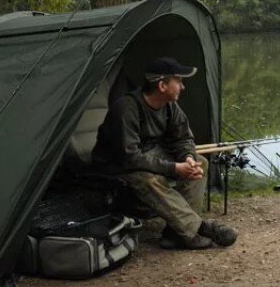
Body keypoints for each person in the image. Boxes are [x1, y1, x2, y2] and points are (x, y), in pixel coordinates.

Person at [91, 56, 237, 250]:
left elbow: (183, 139)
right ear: (162, 86)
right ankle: (196, 229)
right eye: (179, 82)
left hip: (150, 156)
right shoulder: (126, 108)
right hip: (117, 167)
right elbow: (129, 157)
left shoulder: (169, 106)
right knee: (149, 179)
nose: (182, 87)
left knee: (200, 162)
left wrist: (188, 159)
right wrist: (175, 168)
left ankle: (176, 233)